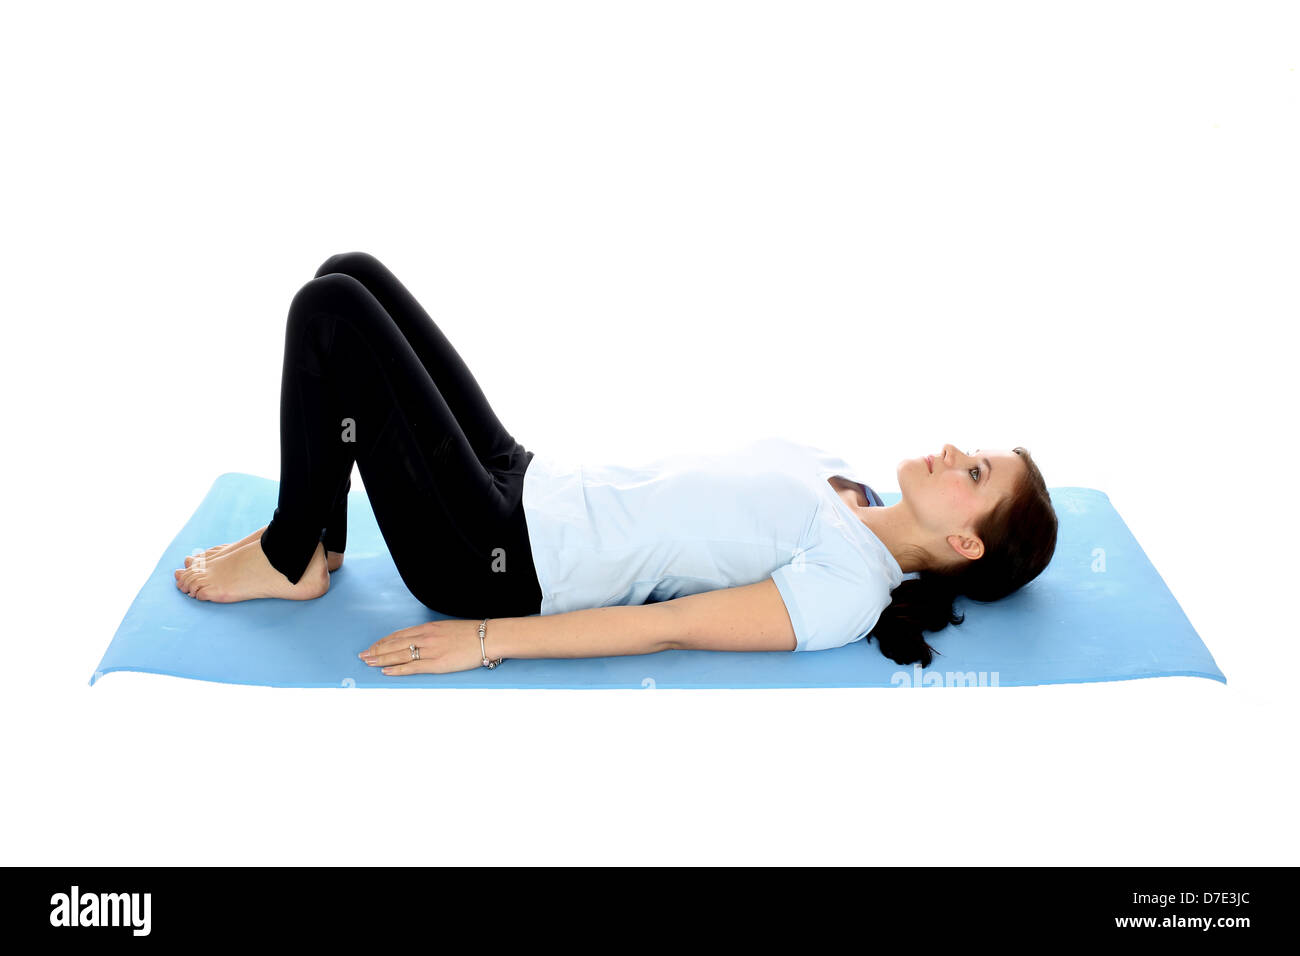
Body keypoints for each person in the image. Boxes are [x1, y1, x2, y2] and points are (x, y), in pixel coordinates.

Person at [175, 252, 1058, 675]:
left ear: (967, 545)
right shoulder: (847, 485)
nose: (954, 453)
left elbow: (666, 627)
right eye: (974, 452)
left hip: (498, 562)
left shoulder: (848, 587)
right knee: (352, 272)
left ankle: (290, 557)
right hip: (526, 481)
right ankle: (323, 542)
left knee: (331, 311)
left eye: (974, 475)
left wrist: (485, 642)